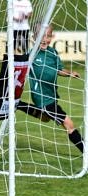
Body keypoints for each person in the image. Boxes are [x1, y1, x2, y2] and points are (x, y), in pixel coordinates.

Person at [28, 24, 83, 152]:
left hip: (52, 94)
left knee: (45, 118)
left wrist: (69, 73)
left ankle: (20, 105)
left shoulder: (53, 52)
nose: (44, 39)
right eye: (41, 36)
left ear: (52, 37)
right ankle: (86, 152)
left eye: (47, 36)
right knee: (68, 124)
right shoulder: (31, 55)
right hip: (41, 96)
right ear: (34, 37)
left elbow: (59, 70)